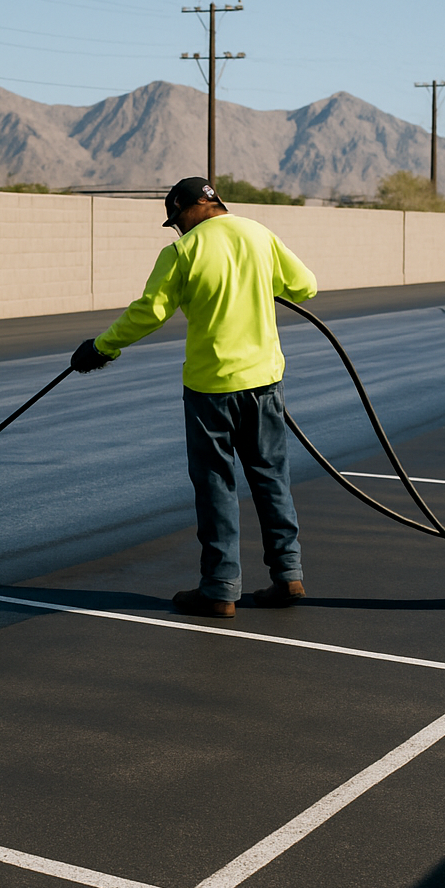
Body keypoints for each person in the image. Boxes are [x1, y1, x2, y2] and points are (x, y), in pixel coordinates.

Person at [70, 177, 318, 618]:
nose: (177, 229)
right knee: (270, 478)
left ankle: (220, 588)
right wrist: (258, 283)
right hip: (264, 383)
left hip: (211, 390)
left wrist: (102, 347)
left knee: (216, 486)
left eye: (175, 220)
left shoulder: (182, 252)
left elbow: (151, 311)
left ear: (186, 208)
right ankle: (288, 576)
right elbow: (305, 287)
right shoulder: (258, 233)